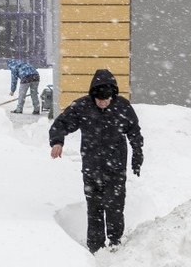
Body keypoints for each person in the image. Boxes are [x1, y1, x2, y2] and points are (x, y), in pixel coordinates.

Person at [49, 69, 144, 254]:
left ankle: (115, 241)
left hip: (116, 167)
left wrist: (137, 154)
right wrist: (57, 142)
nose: (102, 103)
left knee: (115, 206)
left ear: (112, 95)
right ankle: (95, 246)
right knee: (94, 208)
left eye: (106, 99)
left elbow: (134, 132)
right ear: (93, 96)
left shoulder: (122, 107)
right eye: (99, 100)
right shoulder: (82, 106)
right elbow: (61, 124)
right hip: (91, 167)